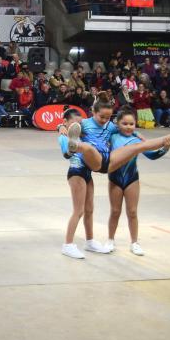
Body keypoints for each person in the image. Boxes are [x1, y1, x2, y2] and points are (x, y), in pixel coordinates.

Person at [105, 108, 168, 256]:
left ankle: (134, 243)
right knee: (115, 211)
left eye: (131, 124)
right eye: (124, 123)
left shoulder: (138, 140)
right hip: (115, 178)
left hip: (132, 179)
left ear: (136, 124)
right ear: (117, 124)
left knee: (132, 212)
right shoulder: (112, 136)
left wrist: (165, 147)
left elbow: (152, 156)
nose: (128, 126)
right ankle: (110, 240)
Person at [62, 93, 170, 175]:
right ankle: (73, 146)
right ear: (93, 112)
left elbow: (124, 129)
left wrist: (135, 132)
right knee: (88, 147)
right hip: (92, 159)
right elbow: (70, 126)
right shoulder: (84, 123)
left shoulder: (111, 126)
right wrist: (61, 127)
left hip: (108, 160)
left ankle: (169, 137)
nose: (105, 120)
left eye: (108, 117)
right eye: (102, 117)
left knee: (138, 146)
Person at [56, 108, 109, 259]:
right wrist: (61, 128)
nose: (77, 127)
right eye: (74, 124)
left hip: (87, 173)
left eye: (79, 124)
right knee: (78, 211)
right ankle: (68, 244)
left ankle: (90, 241)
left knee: (89, 209)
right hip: (76, 173)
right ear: (66, 122)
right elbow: (66, 154)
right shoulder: (63, 135)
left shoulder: (83, 134)